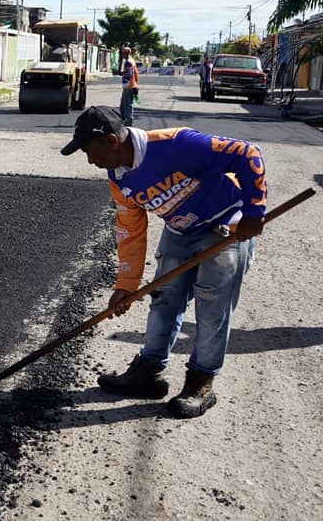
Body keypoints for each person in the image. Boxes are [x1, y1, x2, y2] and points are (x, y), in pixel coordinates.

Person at [60, 106, 265, 418]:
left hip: (225, 227)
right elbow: (130, 230)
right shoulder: (118, 178)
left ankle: (201, 382)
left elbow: (247, 153)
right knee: (164, 299)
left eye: (90, 151)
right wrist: (126, 285)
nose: (90, 161)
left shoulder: (177, 144)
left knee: (213, 308)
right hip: (180, 232)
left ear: (112, 141)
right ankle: (148, 370)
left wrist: (254, 211)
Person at [117, 46, 140, 125]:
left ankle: (128, 119)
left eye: (123, 53)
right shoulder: (131, 60)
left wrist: (121, 73)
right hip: (131, 85)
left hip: (129, 85)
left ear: (126, 53)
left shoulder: (129, 62)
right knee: (125, 103)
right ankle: (124, 118)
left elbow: (129, 74)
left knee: (127, 103)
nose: (122, 54)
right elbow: (136, 73)